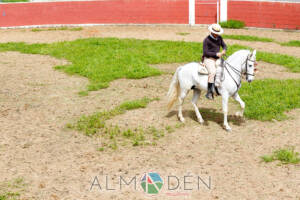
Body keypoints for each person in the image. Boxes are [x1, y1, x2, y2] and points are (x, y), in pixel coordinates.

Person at [202, 23, 227, 100]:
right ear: (212, 32)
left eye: (217, 33)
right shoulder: (206, 40)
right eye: (215, 33)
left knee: (225, 68)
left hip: (217, 58)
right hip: (209, 59)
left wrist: (224, 50)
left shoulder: (219, 38)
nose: (217, 35)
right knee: (212, 72)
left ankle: (222, 86)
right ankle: (209, 92)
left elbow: (224, 45)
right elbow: (205, 52)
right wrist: (216, 54)